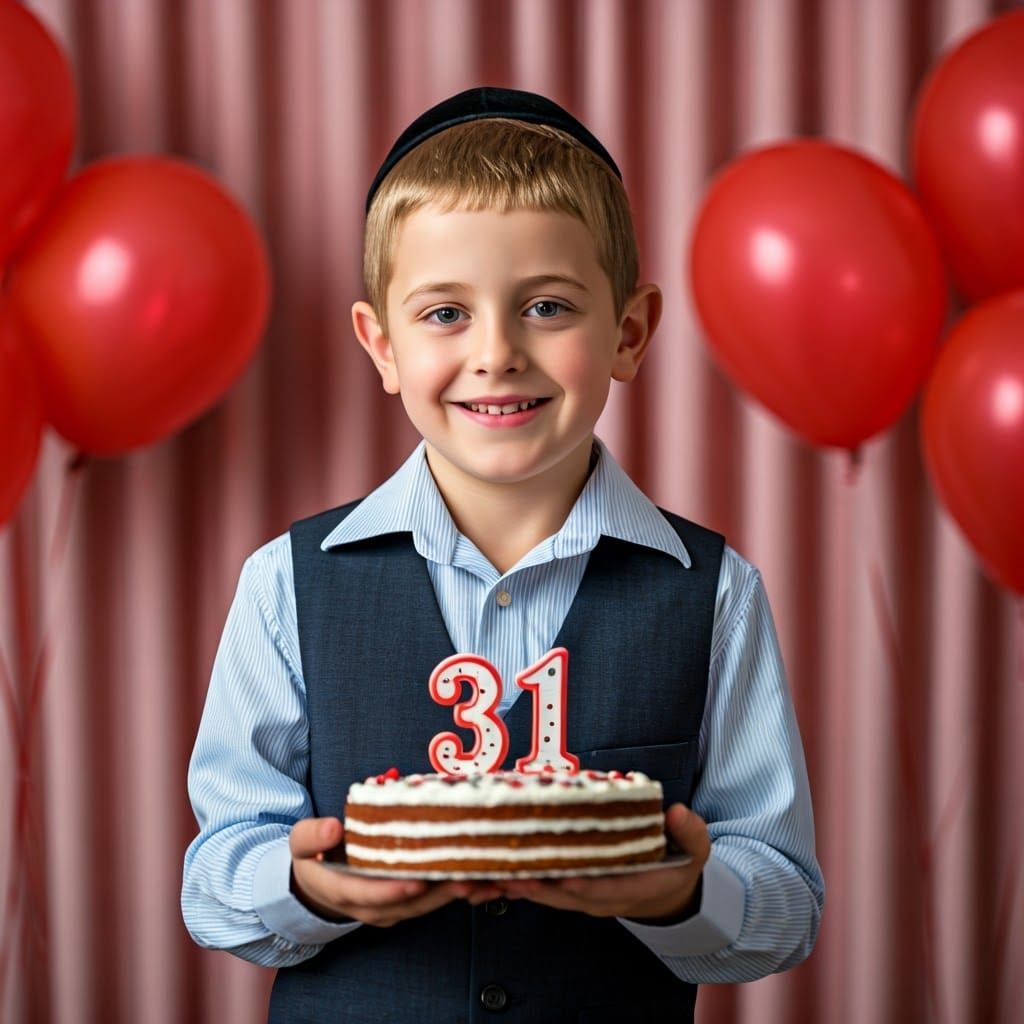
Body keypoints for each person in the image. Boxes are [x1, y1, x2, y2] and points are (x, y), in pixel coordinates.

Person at [182, 86, 824, 1023]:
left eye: (548, 306)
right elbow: (215, 875)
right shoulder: (288, 581)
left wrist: (680, 893)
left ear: (630, 333)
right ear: (381, 344)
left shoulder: (713, 592)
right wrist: (311, 888)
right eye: (444, 314)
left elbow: (787, 903)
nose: (497, 354)